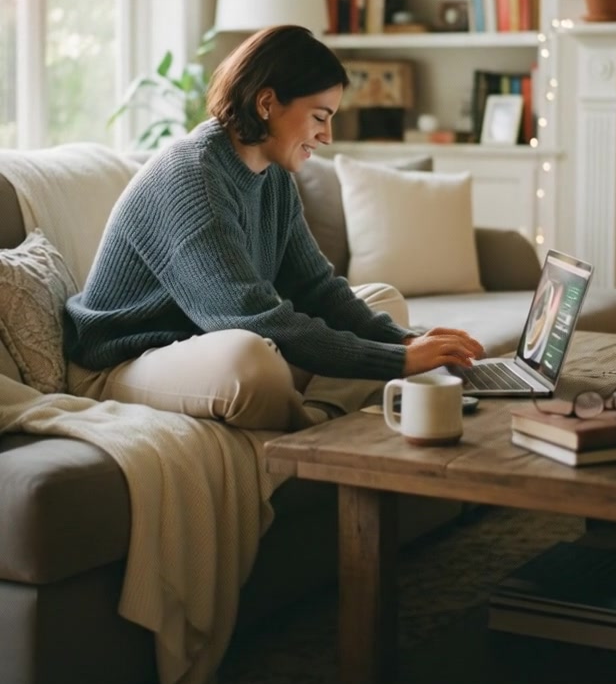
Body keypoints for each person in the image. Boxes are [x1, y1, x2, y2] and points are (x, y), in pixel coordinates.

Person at [64, 25, 484, 432]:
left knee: (383, 300)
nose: (327, 135)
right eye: (320, 116)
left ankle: (321, 419)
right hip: (121, 363)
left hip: (202, 343)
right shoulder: (192, 177)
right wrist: (400, 362)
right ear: (267, 103)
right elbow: (254, 318)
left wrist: (406, 342)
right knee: (252, 360)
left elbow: (317, 288)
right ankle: (315, 430)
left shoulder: (273, 176)